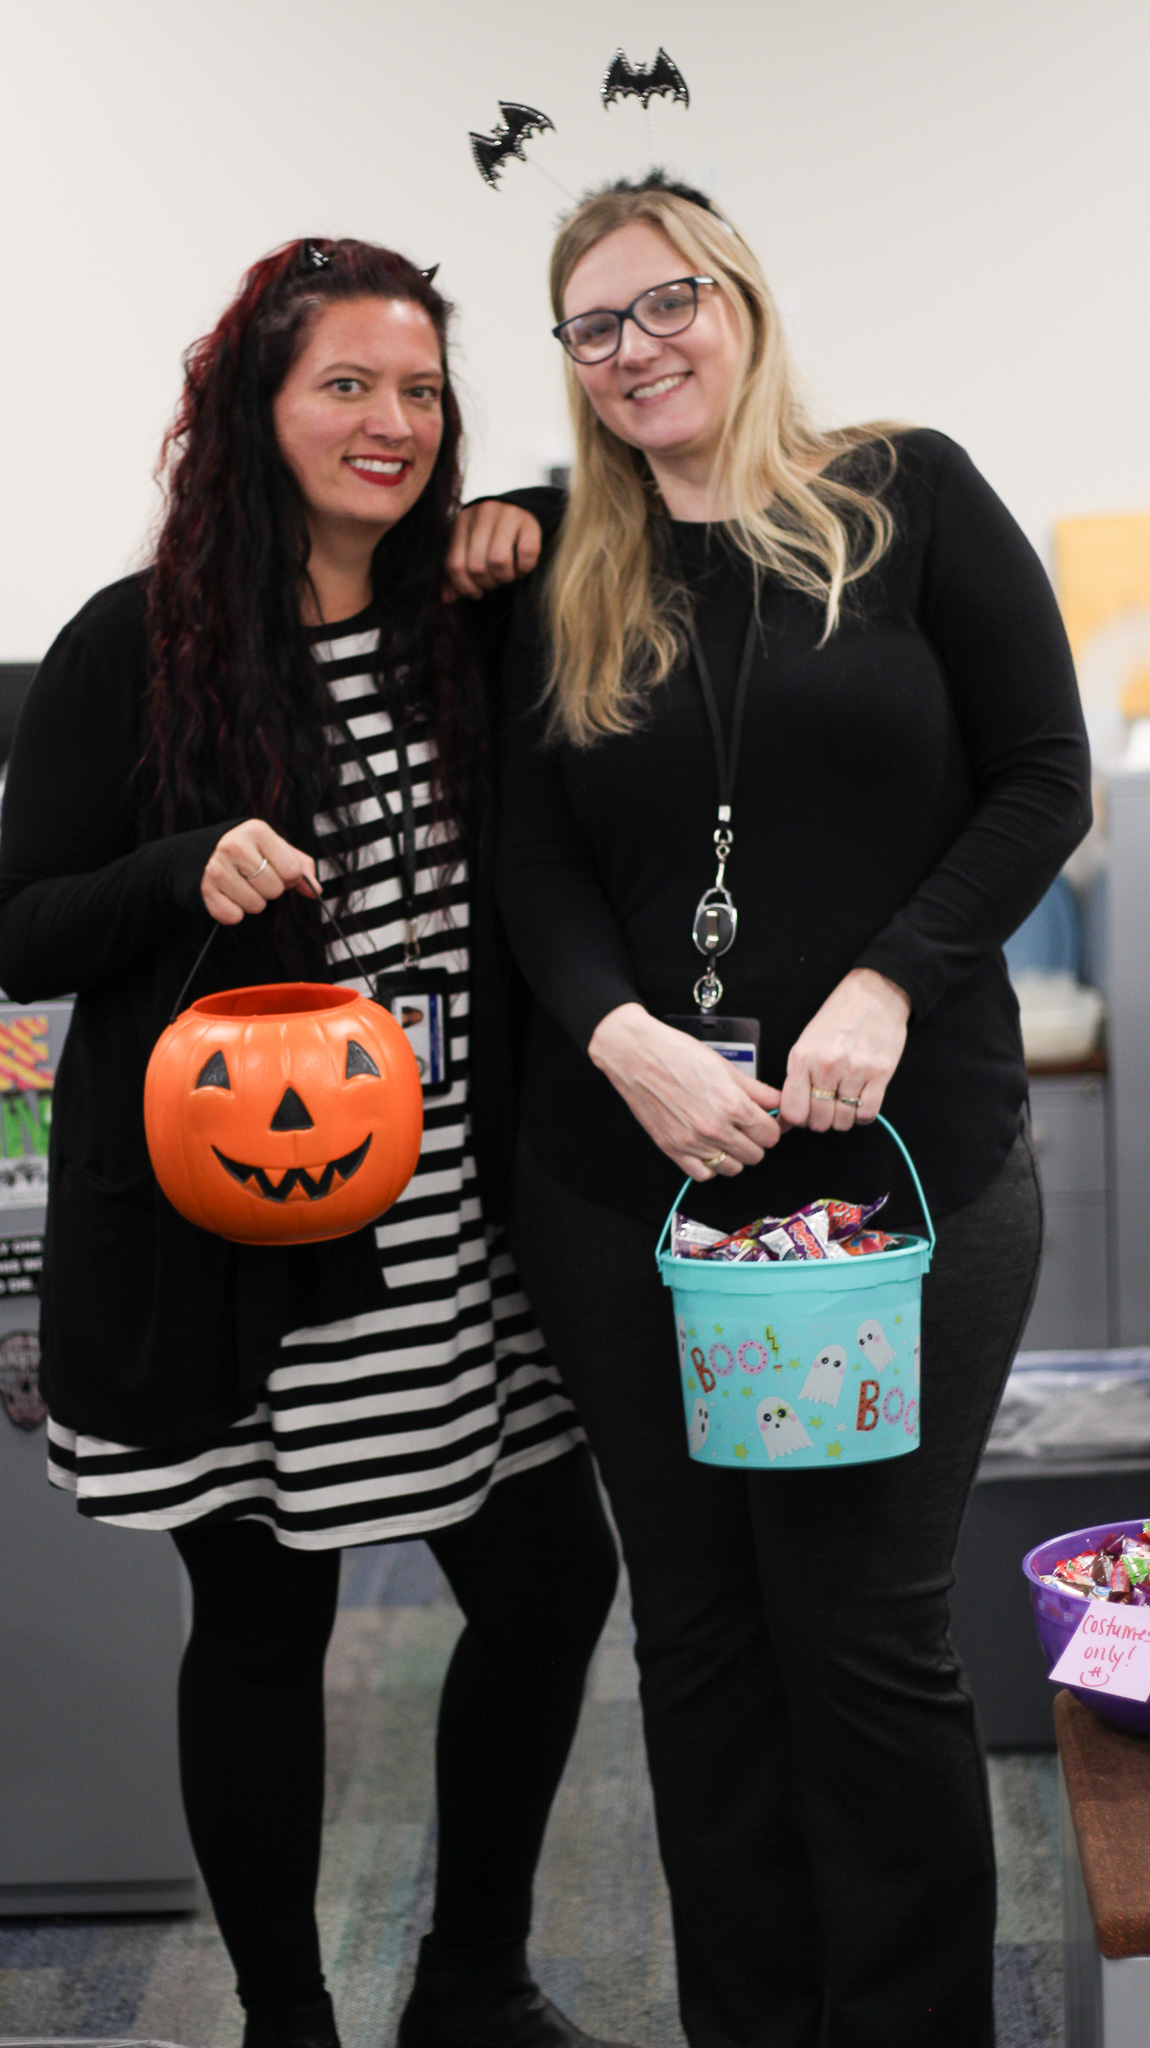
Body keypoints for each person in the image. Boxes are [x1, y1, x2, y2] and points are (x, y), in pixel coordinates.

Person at [489, 176, 1092, 2048]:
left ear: (736, 300)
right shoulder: (559, 562)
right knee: (699, 1632)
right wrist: (618, 1037)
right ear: (573, 367)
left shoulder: (906, 492)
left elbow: (1040, 775)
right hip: (628, 1192)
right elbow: (534, 860)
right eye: (593, 327)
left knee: (862, 1630)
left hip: (904, 1173)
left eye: (664, 302)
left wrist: (891, 973)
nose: (636, 348)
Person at [0, 238, 622, 2048]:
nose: (391, 421)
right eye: (344, 383)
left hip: (465, 1217)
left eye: (421, 389)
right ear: (252, 410)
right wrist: (174, 874)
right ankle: (288, 2016)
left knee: (549, 1574)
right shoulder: (141, 644)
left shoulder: (477, 608)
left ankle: (473, 1976)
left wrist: (523, 504)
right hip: (241, 1225)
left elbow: (651, 504)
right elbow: (19, 921)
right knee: (265, 1621)